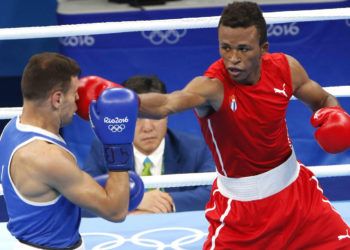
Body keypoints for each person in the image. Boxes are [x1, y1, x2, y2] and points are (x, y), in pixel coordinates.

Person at [137, 2, 350, 249]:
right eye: (225, 48)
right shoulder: (212, 87)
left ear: (263, 49)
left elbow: (322, 98)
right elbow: (167, 103)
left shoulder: (285, 68)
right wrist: (121, 102)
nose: (233, 59)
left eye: (243, 49)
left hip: (298, 197)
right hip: (242, 213)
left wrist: (334, 114)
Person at [0, 52, 144, 249]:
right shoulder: (46, 157)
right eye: (75, 92)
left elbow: (49, 191)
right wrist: (117, 145)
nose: (79, 99)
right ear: (57, 99)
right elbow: (116, 211)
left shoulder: (12, 128)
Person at [83, 75, 215, 213]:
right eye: (138, 118)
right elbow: (83, 198)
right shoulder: (105, 148)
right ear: (124, 119)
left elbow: (213, 191)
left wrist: (163, 203)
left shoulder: (195, 148)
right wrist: (136, 200)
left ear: (167, 116)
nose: (147, 127)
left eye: (155, 117)